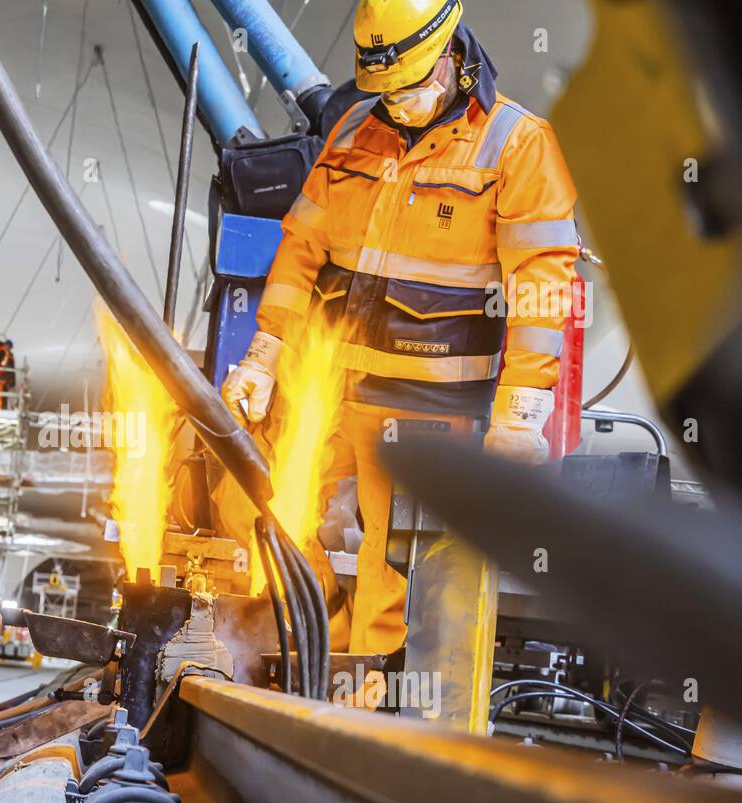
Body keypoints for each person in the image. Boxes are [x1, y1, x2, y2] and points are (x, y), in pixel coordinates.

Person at [222, 0, 580, 656]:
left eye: (406, 88)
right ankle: (300, 675)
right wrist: (264, 355)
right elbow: (301, 246)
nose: (393, 104)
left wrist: (519, 419)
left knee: (394, 572)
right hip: (331, 390)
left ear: (450, 59)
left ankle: (365, 707)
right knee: (273, 518)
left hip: (426, 412)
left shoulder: (519, 146)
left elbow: (541, 294)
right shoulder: (358, 126)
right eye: (381, 89)